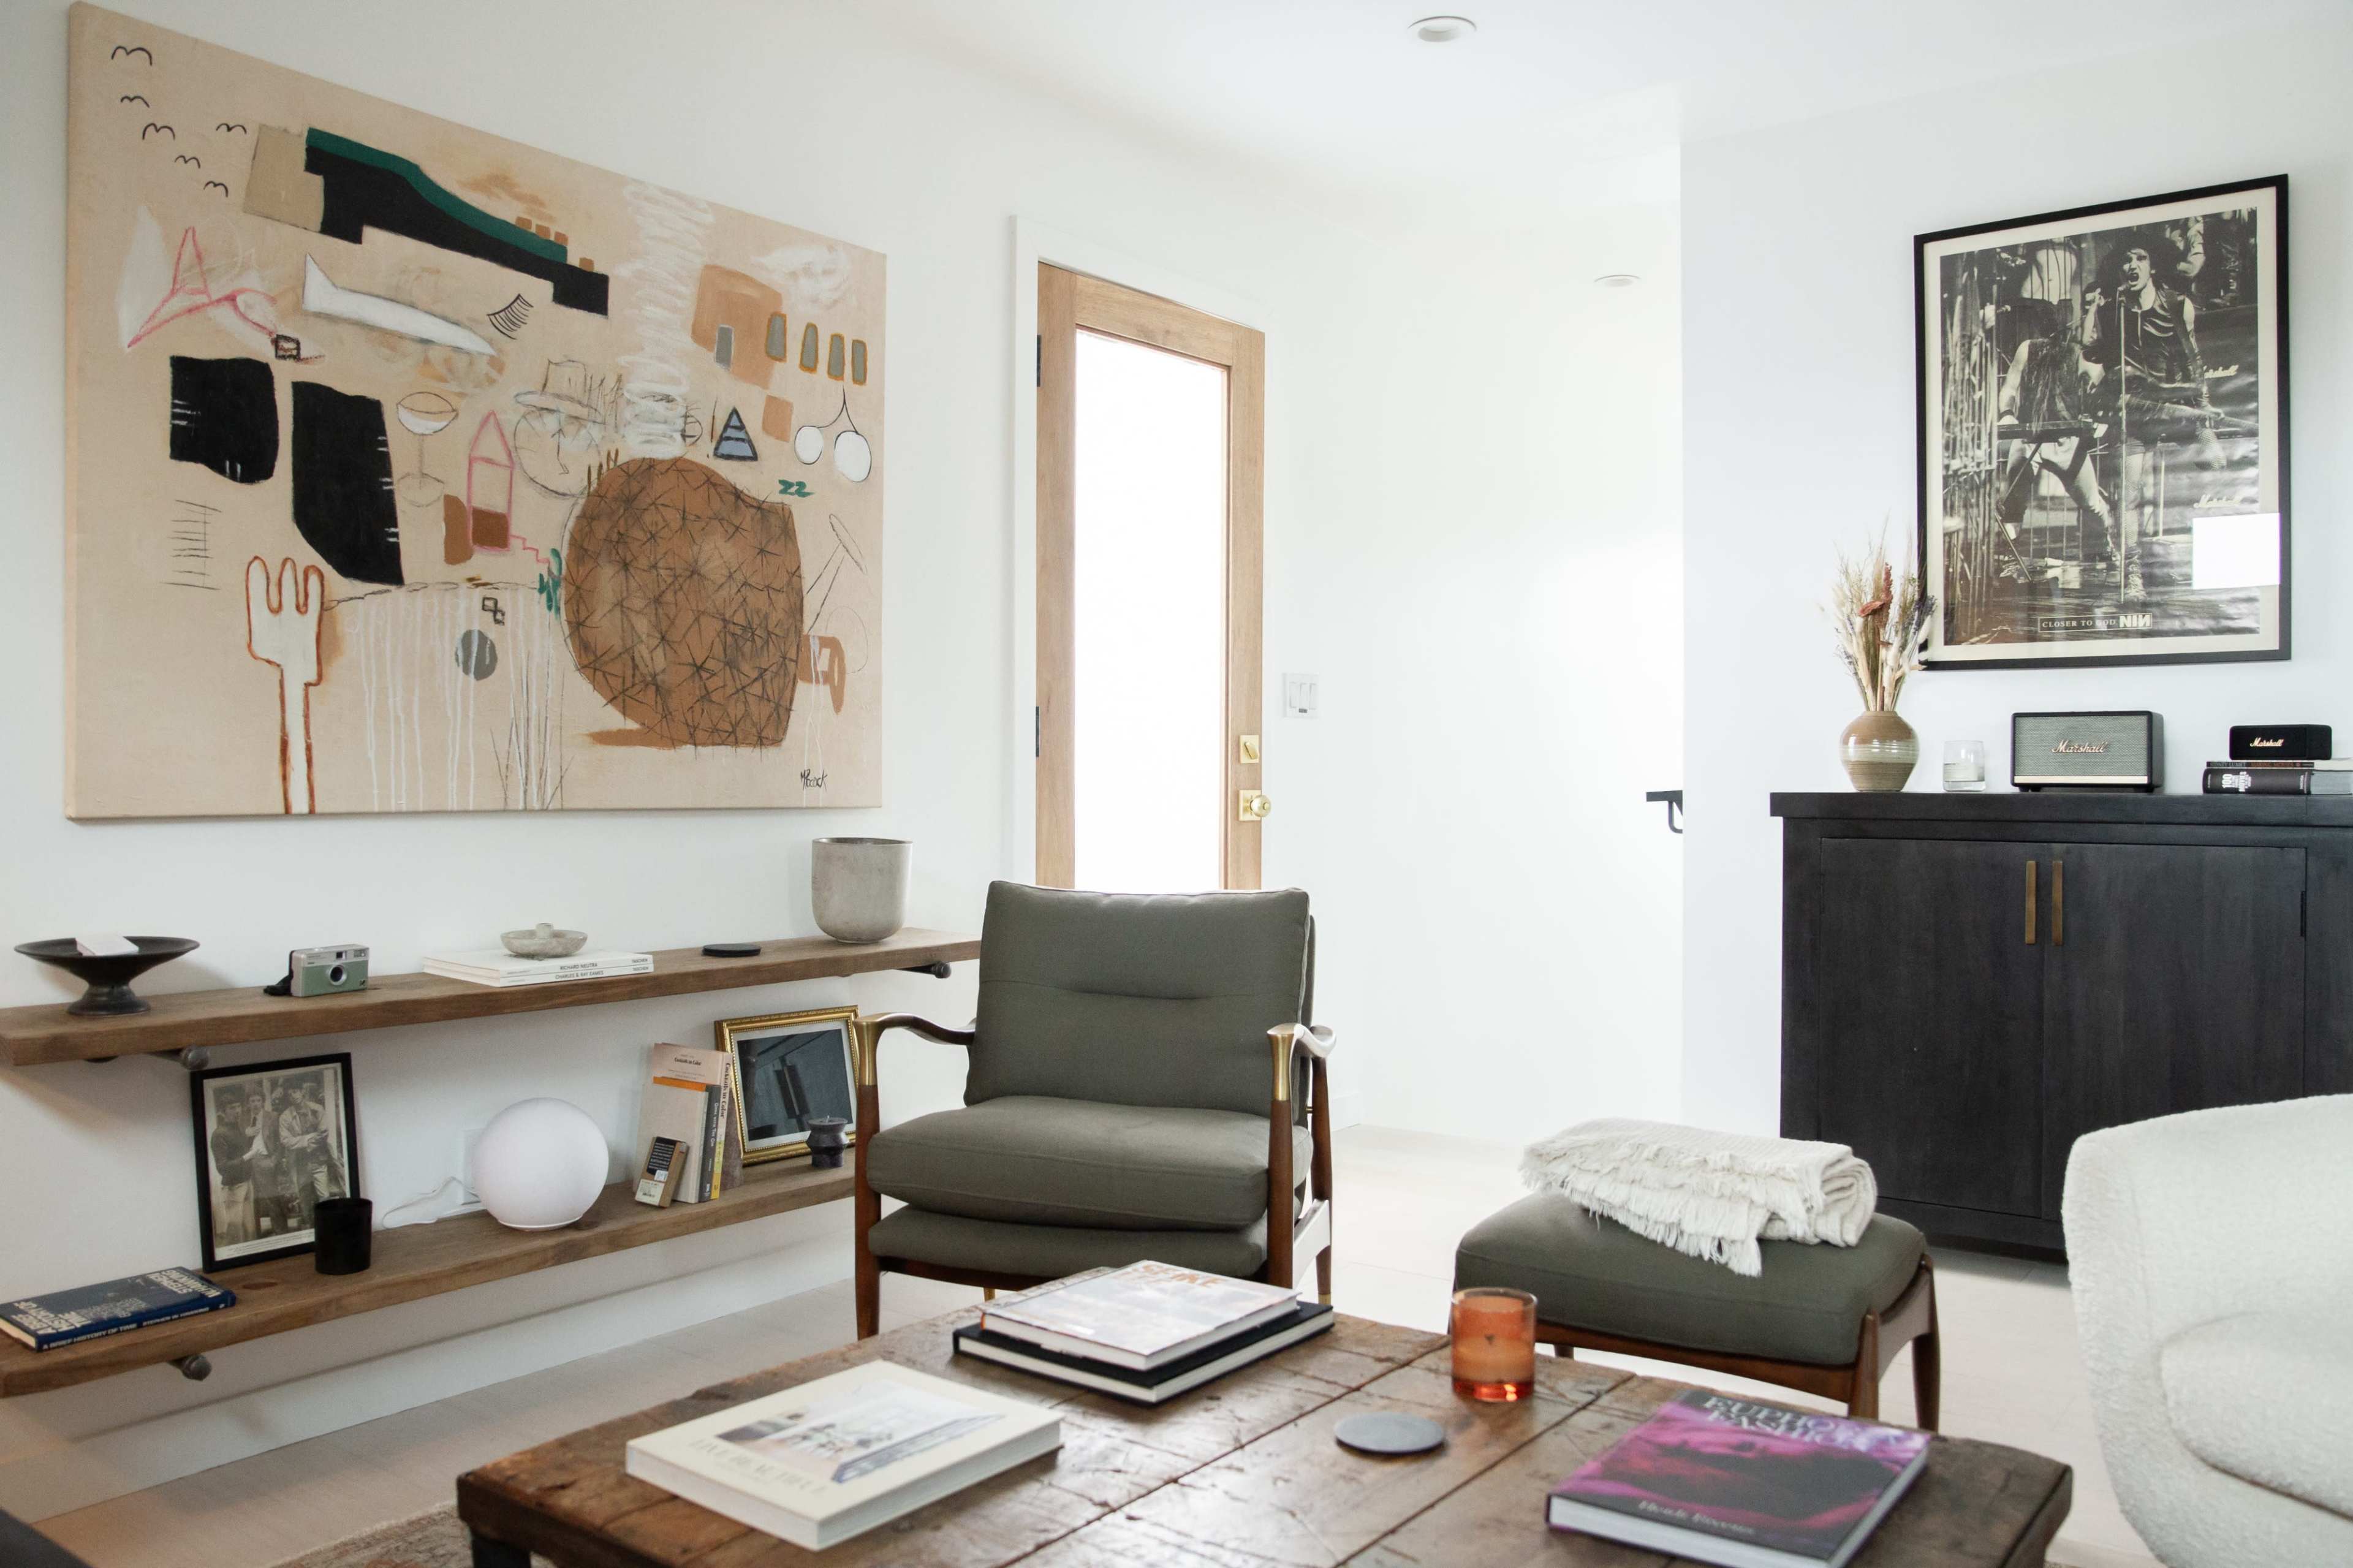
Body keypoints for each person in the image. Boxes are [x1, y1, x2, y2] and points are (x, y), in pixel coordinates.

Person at [208, 1088, 256, 1247]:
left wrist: (250, 1138)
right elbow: (222, 1167)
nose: (237, 1111)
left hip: (247, 1183)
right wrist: (247, 1157)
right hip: (234, 1187)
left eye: (238, 1107)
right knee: (235, 1234)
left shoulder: (240, 1128)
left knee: (250, 1232)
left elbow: (238, 1151)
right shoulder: (219, 1134)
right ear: (222, 1112)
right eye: (232, 1108)